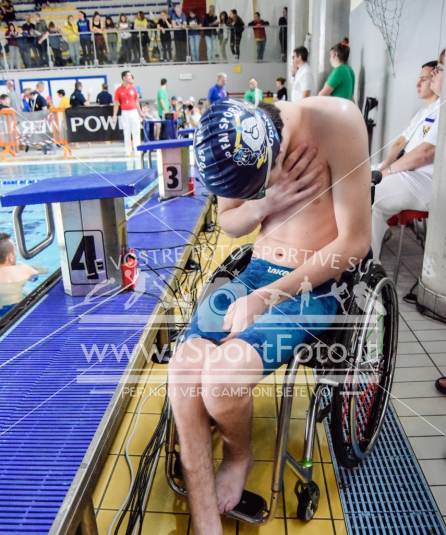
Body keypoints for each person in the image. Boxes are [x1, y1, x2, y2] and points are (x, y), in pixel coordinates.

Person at [169, 95, 370, 534]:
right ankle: (205, 517)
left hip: (310, 283)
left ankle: (239, 455)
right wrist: (266, 201)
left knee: (221, 379)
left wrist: (266, 298)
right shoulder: (229, 133)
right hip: (256, 268)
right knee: (184, 366)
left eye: (255, 188)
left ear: (276, 150)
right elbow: (230, 221)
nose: (250, 197)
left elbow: (354, 244)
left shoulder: (337, 122)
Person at [372, 54, 443, 261]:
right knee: (365, 190)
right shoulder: (428, 110)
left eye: (439, 70)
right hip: (413, 175)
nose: (419, 82)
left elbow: (425, 153)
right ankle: (366, 263)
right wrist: (384, 166)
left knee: (368, 192)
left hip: (430, 184)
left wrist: (387, 171)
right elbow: (400, 143)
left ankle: (366, 271)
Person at [0, 234, 39, 315]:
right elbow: (35, 276)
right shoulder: (22, 269)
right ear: (10, 257)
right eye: (15, 251)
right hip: (16, 311)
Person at [113, 70, 143, 156]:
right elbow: (116, 104)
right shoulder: (118, 90)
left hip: (134, 112)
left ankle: (138, 151)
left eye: (130, 75)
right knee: (126, 132)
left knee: (136, 132)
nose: (130, 77)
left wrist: (140, 113)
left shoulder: (134, 88)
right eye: (128, 76)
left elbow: (137, 102)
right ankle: (128, 151)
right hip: (125, 113)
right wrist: (114, 115)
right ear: (124, 78)